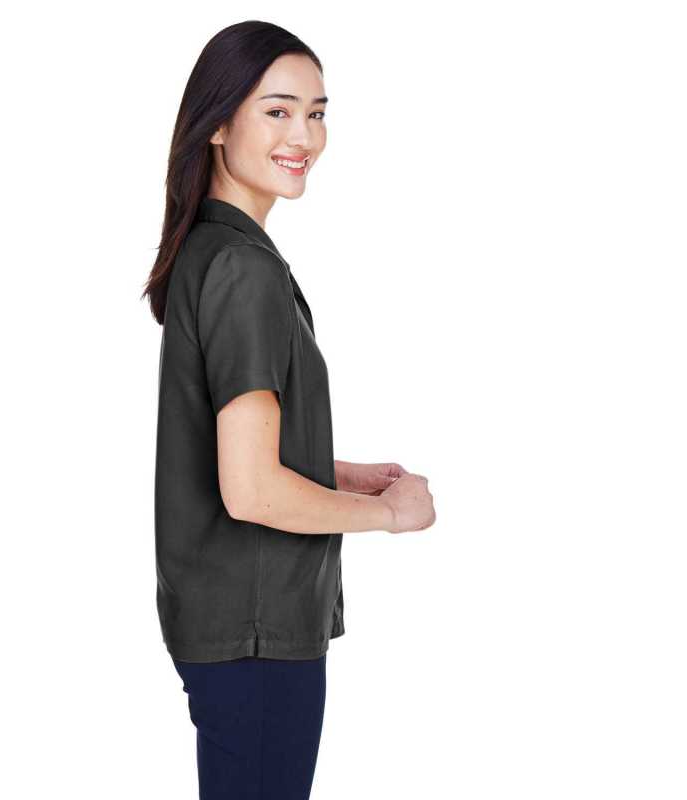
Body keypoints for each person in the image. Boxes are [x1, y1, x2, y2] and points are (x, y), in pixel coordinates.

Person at [141, 20, 435, 800]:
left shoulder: (213, 250)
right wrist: (391, 515)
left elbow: (236, 454)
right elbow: (250, 491)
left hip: (234, 628)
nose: (303, 135)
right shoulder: (243, 270)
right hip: (257, 634)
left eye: (316, 112)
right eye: (277, 111)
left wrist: (337, 472)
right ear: (216, 124)